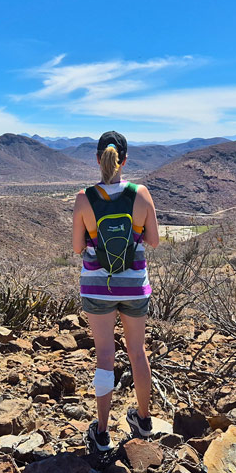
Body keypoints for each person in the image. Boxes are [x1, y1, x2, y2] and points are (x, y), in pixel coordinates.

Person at [72, 131, 160, 452]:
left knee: (105, 356)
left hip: (98, 287)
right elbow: (153, 240)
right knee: (137, 352)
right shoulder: (141, 194)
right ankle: (144, 419)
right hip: (134, 286)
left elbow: (77, 246)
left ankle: (103, 432)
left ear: (98, 159)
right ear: (124, 160)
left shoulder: (84, 198)